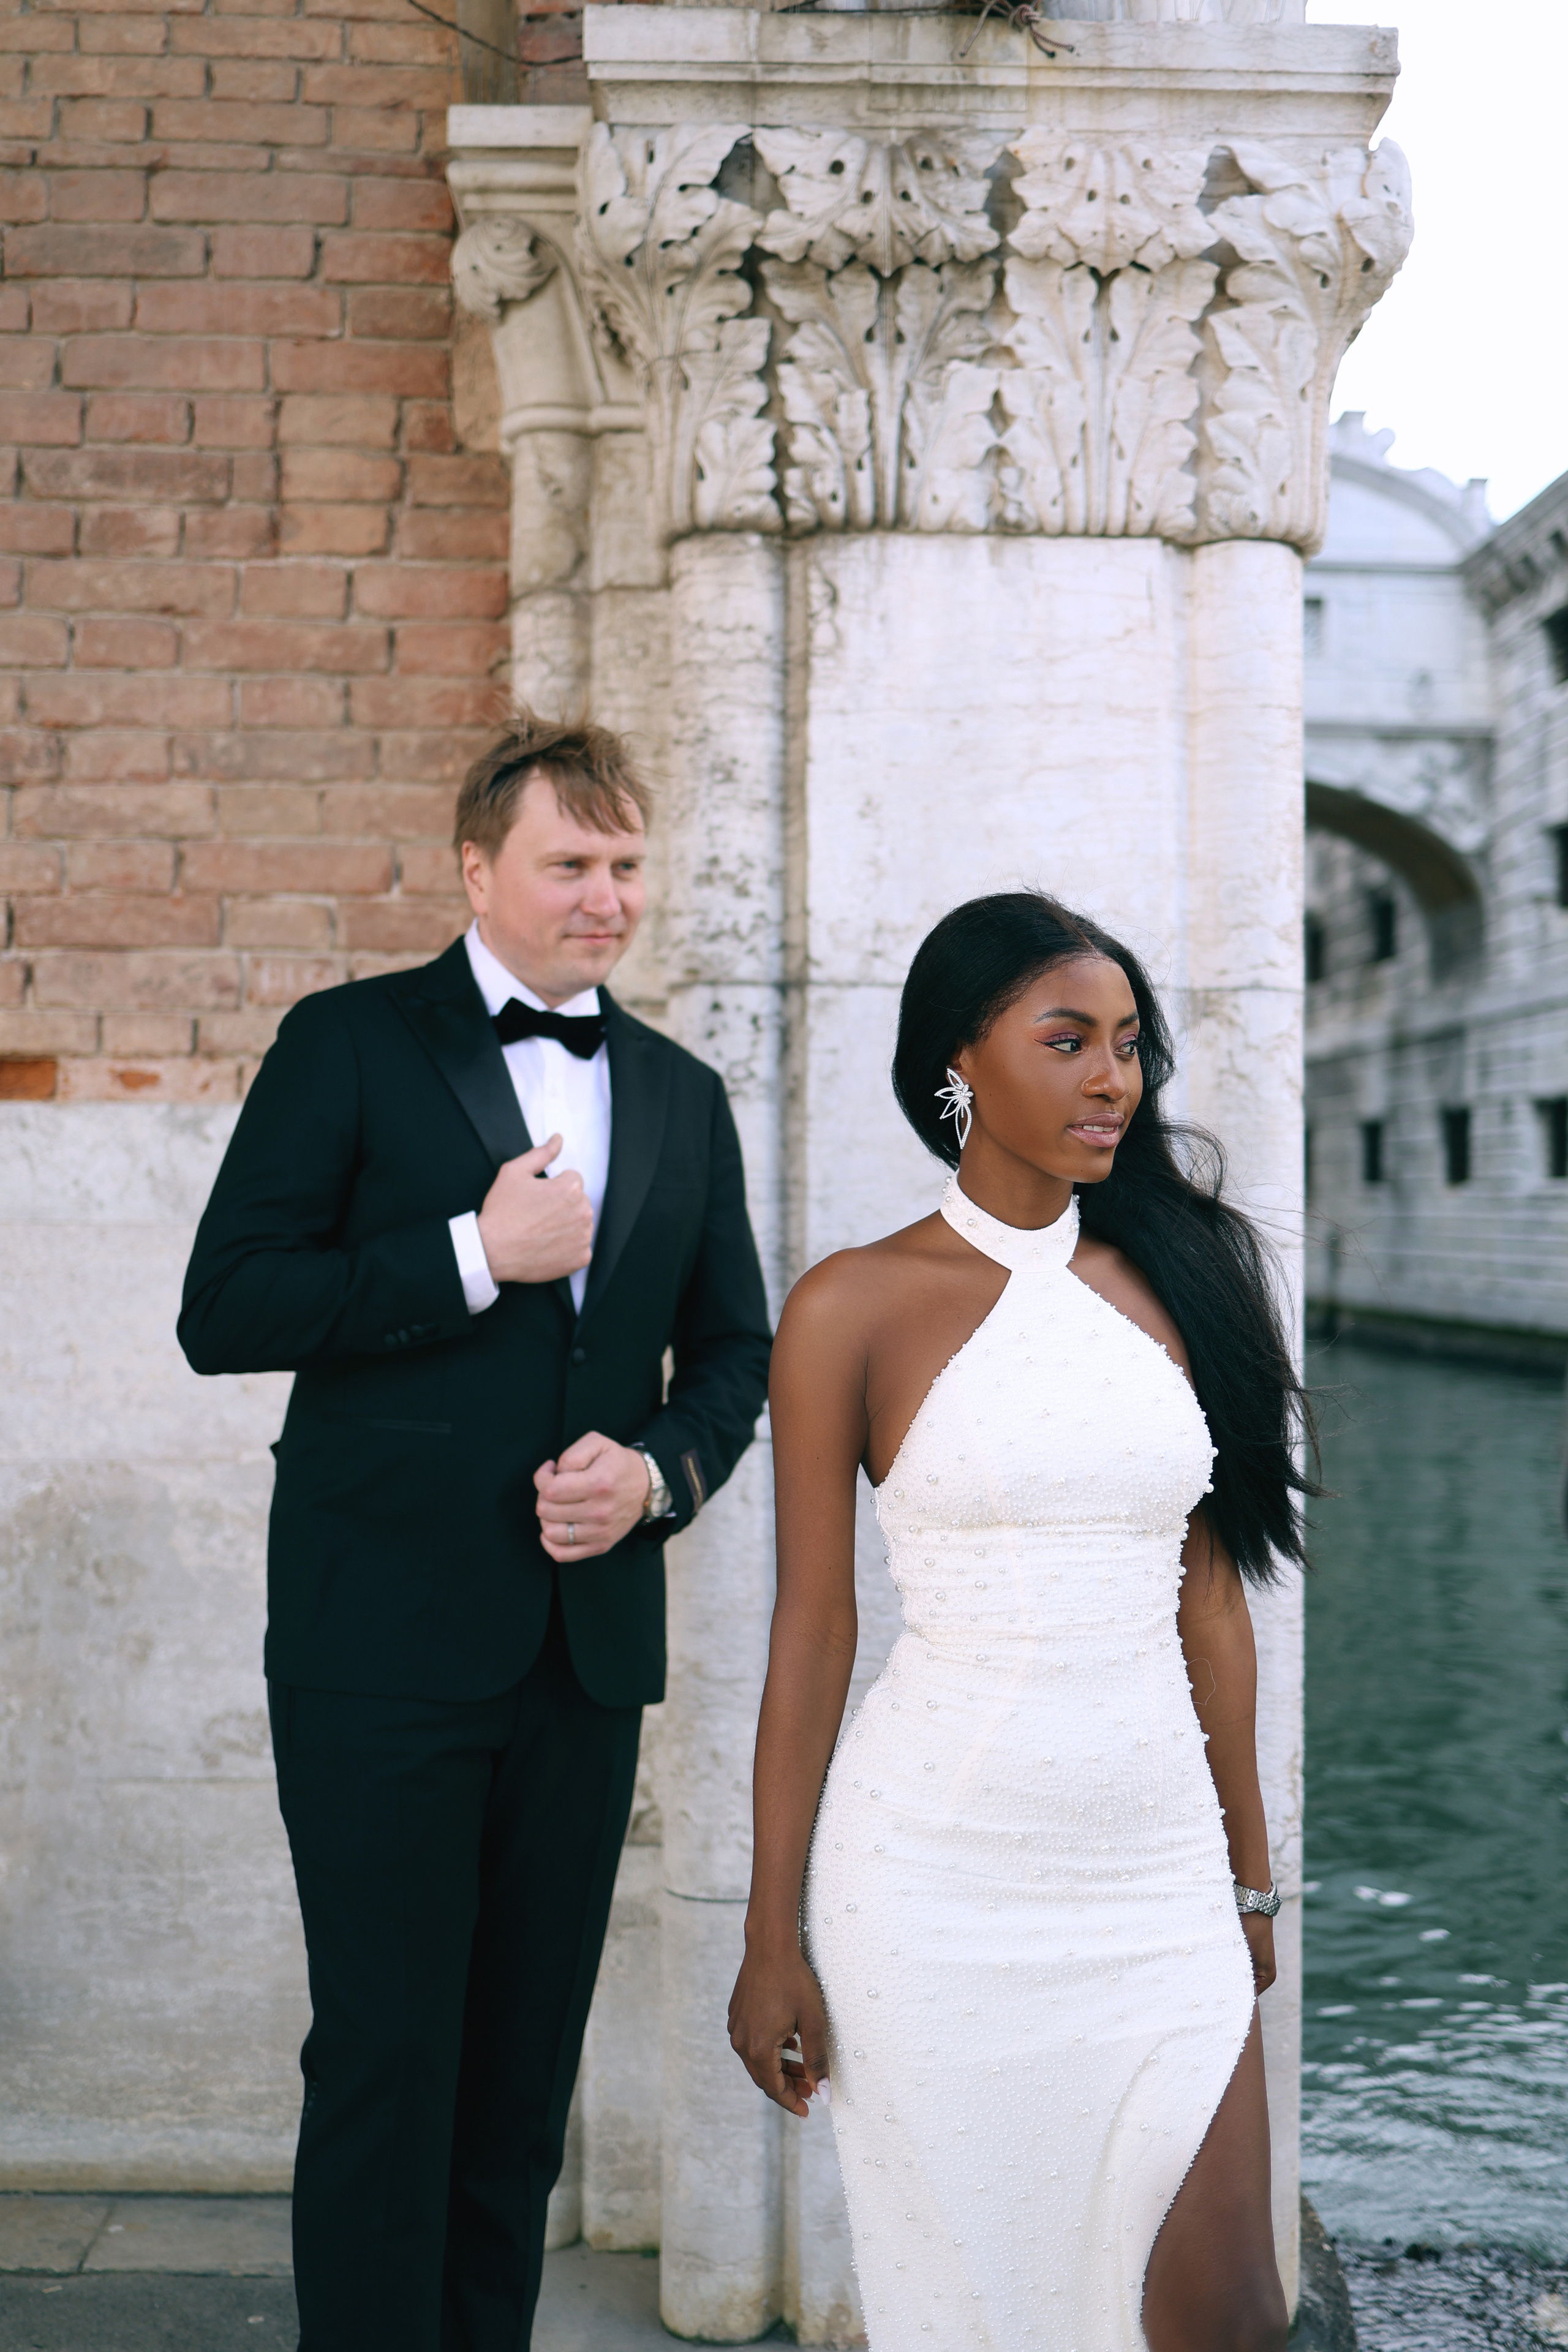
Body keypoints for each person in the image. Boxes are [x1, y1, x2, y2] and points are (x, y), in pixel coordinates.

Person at [179, 711, 771, 2352]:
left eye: (627, 865)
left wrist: (656, 1476)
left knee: (521, 2076)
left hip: (583, 1656)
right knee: (387, 2058)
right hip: (378, 1645)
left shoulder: (681, 1094)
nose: (607, 897)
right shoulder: (347, 1043)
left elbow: (735, 1353)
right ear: (476, 869)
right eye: (570, 863)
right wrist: (469, 1253)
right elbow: (226, 1308)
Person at [729, 890, 1314, 2352]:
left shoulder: (1187, 1279)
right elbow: (811, 1630)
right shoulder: (850, 1305)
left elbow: (1211, 1603)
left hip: (1155, 1881)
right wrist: (767, 1932)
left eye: (1126, 1043)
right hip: (930, 1884)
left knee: (1232, 2320)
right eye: (1067, 1040)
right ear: (960, 1062)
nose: (1112, 1077)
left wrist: (1247, 1880)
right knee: (983, 2307)